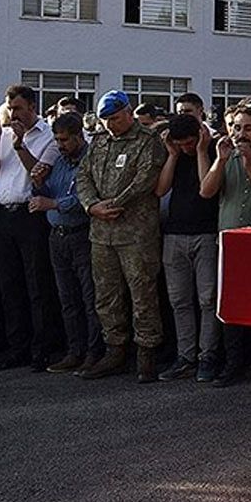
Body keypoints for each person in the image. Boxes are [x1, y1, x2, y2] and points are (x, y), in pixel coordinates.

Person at [76, 90, 168, 383]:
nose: (110, 125)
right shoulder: (100, 141)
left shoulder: (148, 141)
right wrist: (92, 206)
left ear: (129, 113)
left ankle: (147, 353)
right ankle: (115, 350)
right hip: (102, 233)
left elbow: (145, 180)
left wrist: (112, 206)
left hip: (136, 233)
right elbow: (83, 176)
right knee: (106, 295)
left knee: (143, 294)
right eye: (105, 120)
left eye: (115, 118)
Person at [0, 83, 60, 371]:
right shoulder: (0, 135)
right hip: (2, 214)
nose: (13, 114)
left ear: (32, 108)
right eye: (10, 108)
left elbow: (40, 175)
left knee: (37, 284)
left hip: (31, 215)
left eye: (18, 109)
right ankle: (18, 346)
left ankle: (42, 347)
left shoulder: (49, 136)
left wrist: (19, 143)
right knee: (9, 284)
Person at [198, 104, 251, 387]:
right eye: (237, 127)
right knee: (229, 305)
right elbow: (206, 190)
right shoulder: (224, 157)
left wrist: (249, 165)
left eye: (248, 128)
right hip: (228, 242)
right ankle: (232, 365)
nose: (241, 134)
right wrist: (220, 160)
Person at [29, 112, 102, 376]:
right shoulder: (58, 161)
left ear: (78, 136)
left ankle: (94, 352)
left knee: (89, 297)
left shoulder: (91, 160)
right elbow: (49, 191)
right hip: (56, 236)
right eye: (57, 140)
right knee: (67, 298)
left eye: (65, 140)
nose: (60, 145)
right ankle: (75, 350)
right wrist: (39, 185)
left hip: (82, 234)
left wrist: (54, 203)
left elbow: (87, 198)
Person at [154, 114, 221, 383]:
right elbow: (161, 189)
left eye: (190, 142)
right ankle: (185, 356)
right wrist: (172, 155)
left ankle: (208, 356)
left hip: (205, 233)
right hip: (174, 234)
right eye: (180, 144)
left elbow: (208, 189)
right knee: (179, 300)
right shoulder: (176, 154)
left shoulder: (212, 149)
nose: (186, 148)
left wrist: (202, 150)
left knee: (207, 299)